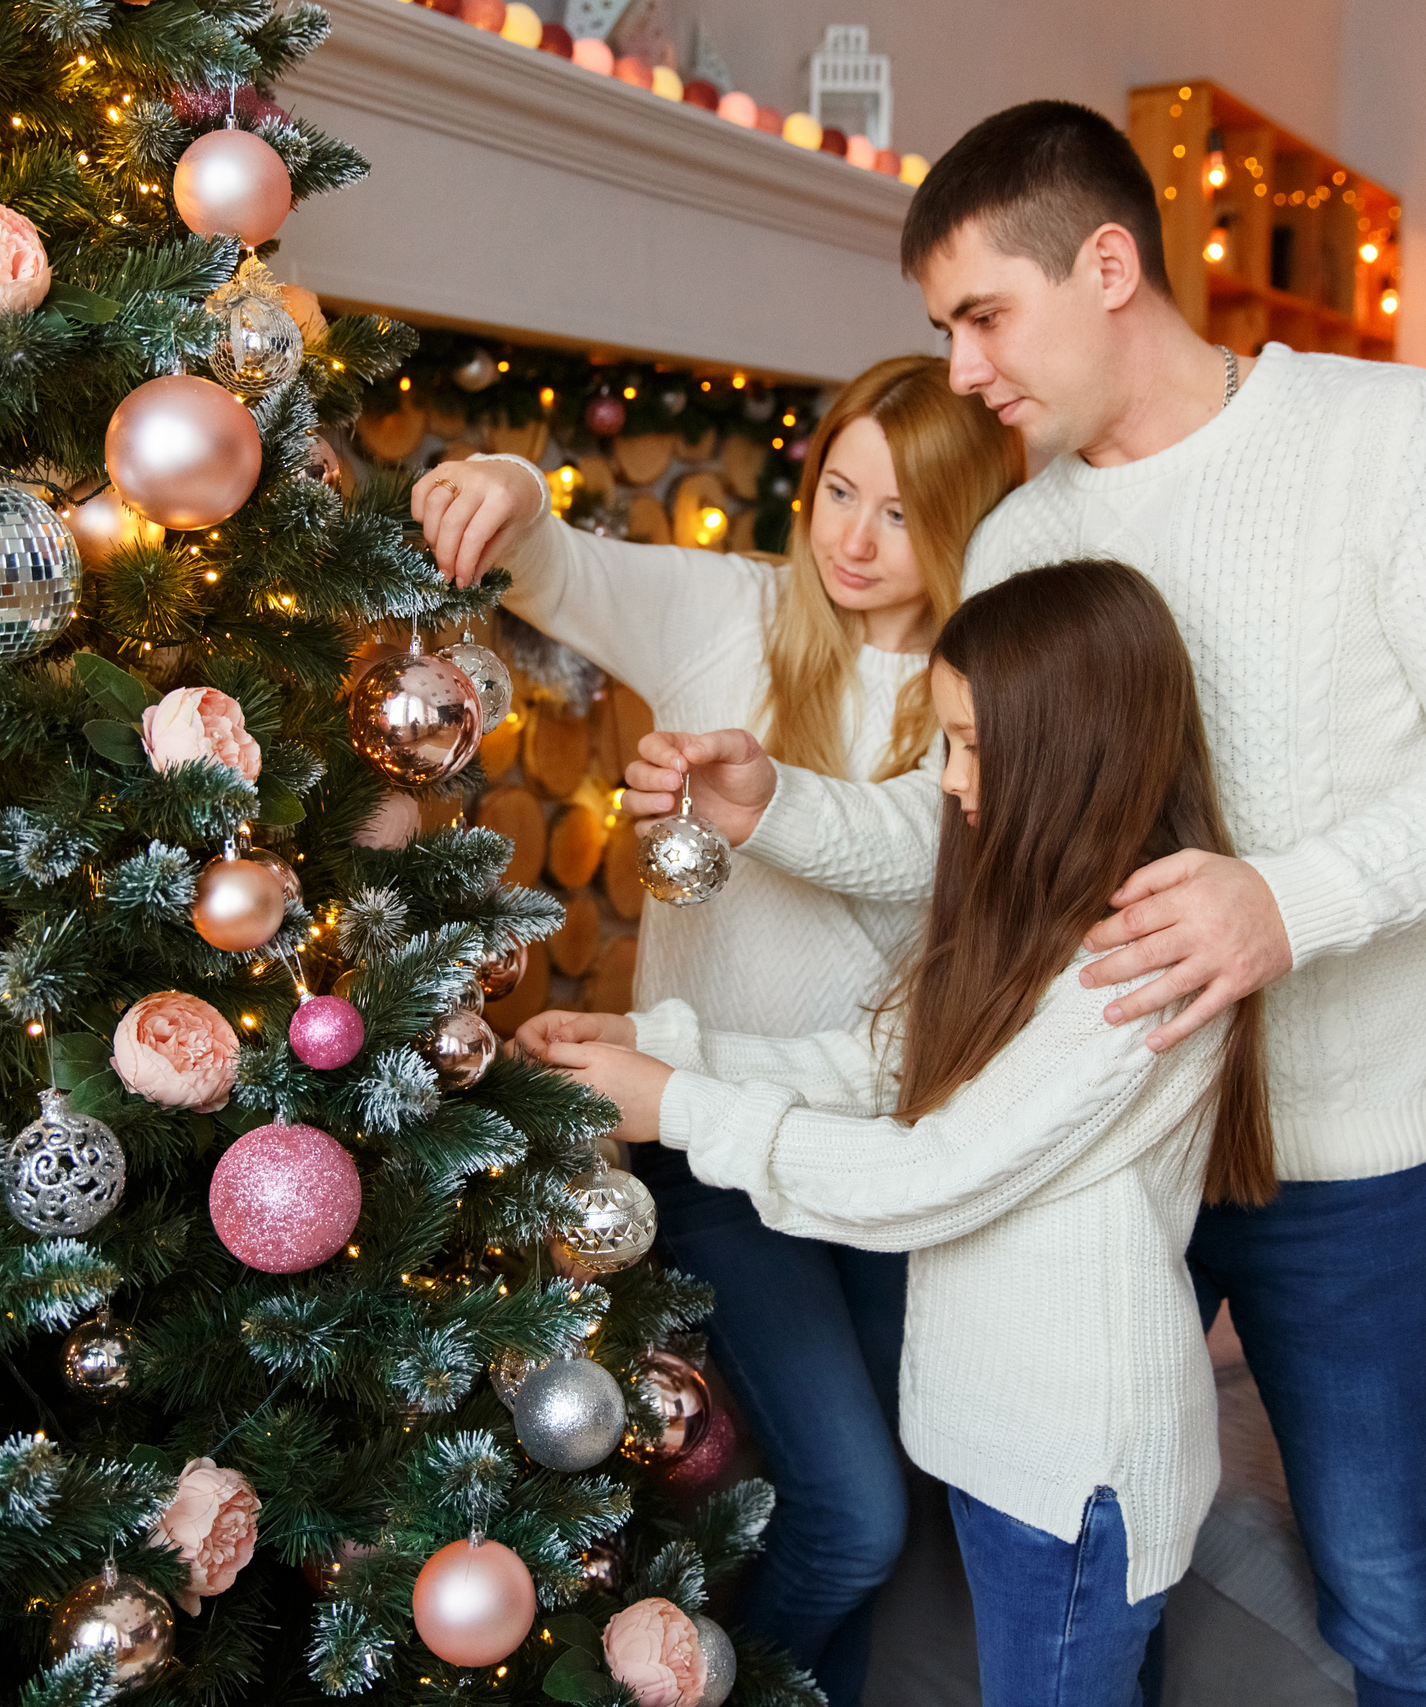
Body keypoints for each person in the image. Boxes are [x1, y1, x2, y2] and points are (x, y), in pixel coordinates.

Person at [618, 103, 1426, 1706]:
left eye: (984, 314)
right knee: (1086, 1553)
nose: (961, 368)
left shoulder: (1389, 434)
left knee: (1402, 1604)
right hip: (1086, 1162)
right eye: (941, 327)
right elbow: (977, 838)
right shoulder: (1022, 532)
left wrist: (1287, 900)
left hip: (1338, 1164)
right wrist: (771, 803)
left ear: (1110, 263)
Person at [519, 560, 1277, 1707]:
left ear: (1071, 750)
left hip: (1077, 1465)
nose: (949, 786)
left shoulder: (1138, 971)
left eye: (970, 748)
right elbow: (877, 1069)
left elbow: (936, 1173)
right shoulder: (1030, 911)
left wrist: (677, 1107)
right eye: (944, 745)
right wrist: (657, 1041)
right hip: (997, 1436)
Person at [411, 355, 1022, 1703]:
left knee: (872, 1503)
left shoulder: (989, 701)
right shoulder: (731, 614)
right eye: (839, 490)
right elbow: (554, 560)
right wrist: (506, 482)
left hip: (868, 1152)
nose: (853, 538)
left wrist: (769, 802)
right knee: (855, 1510)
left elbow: (924, 851)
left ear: (970, 519)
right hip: (704, 1139)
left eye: (903, 512)